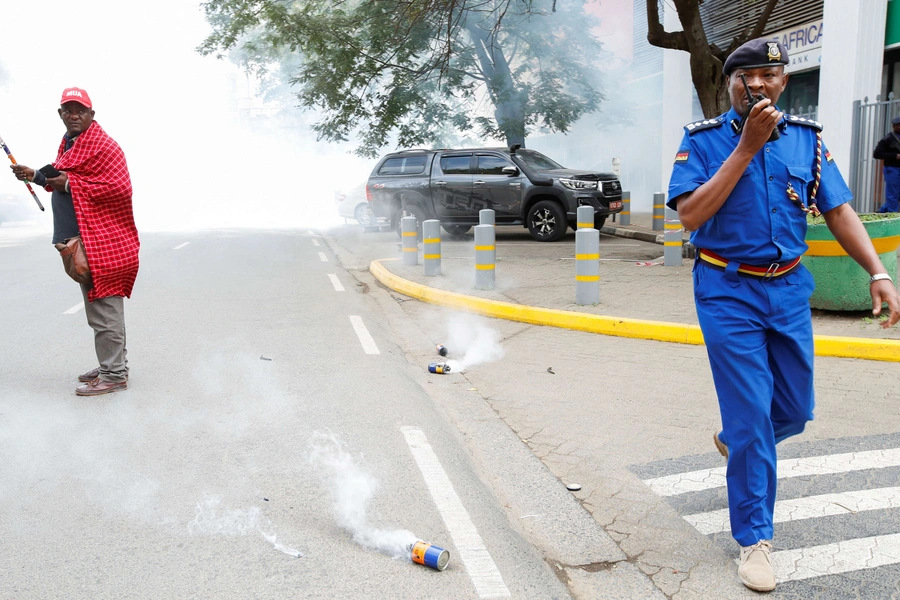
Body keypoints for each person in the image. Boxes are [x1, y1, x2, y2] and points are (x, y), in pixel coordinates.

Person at [668, 39, 900, 593]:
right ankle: (754, 541)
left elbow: (839, 210)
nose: (761, 84)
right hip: (727, 288)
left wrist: (879, 272)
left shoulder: (807, 141)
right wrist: (745, 149)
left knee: (794, 410)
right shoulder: (702, 141)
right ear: (731, 85)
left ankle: (738, 438)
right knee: (753, 419)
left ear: (783, 81)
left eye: (771, 74)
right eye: (748, 75)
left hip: (789, 287)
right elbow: (691, 217)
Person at [10, 87, 139, 397]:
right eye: (68, 109)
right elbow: (66, 179)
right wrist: (37, 177)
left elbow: (118, 188)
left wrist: (62, 181)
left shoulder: (104, 146)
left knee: (105, 307)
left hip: (102, 240)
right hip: (80, 240)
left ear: (92, 115)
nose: (73, 114)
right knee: (97, 306)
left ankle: (115, 374)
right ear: (60, 114)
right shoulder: (71, 144)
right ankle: (110, 363)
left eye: (80, 110)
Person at [872, 116, 900, 213]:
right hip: (892, 168)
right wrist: (895, 156)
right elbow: (877, 154)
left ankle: (883, 210)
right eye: (898, 125)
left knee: (897, 193)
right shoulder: (888, 139)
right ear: (894, 126)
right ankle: (892, 215)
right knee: (893, 193)